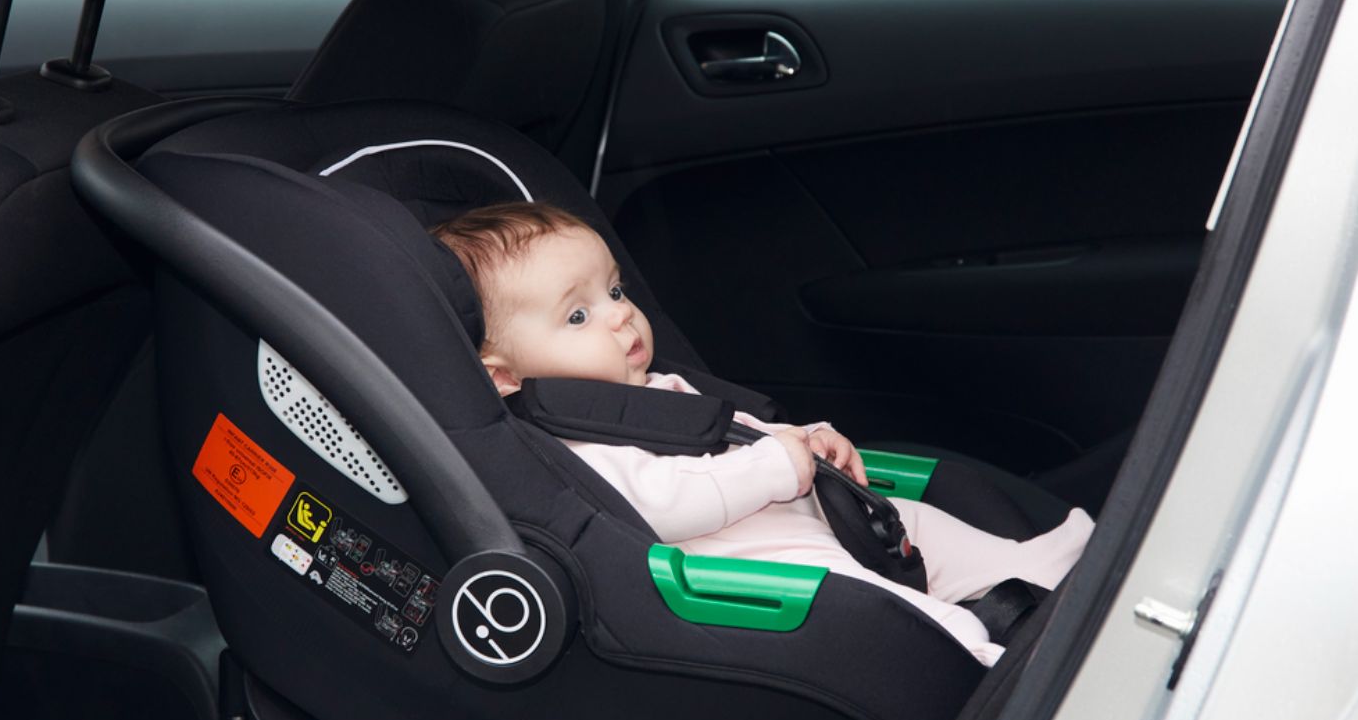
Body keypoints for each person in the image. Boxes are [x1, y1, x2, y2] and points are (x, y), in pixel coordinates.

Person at [432, 201, 1092, 664]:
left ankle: (1025, 565)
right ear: (501, 375)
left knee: (913, 522)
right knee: (884, 610)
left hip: (803, 513)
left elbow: (729, 432)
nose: (620, 317)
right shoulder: (572, 446)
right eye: (578, 315)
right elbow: (660, 505)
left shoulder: (645, 390)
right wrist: (775, 467)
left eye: (616, 290)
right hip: (760, 561)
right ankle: (975, 653)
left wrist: (801, 438)